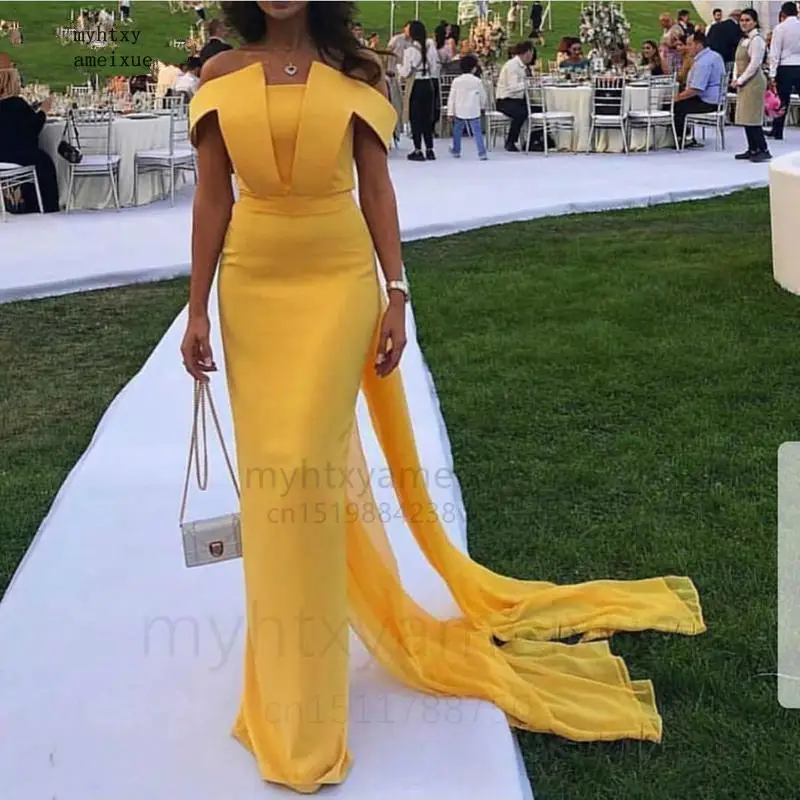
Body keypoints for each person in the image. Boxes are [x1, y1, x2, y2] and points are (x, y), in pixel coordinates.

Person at [182, 1, 706, 794]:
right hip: (252, 288)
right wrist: (195, 308)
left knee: (306, 475)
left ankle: (305, 709)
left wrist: (396, 291)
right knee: (275, 488)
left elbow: (376, 189)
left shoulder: (356, 70)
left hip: (338, 283)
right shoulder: (220, 72)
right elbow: (212, 199)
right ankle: (284, 685)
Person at [0, 68, 59, 213]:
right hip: (16, 154)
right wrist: (43, 111)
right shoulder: (17, 103)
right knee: (44, 161)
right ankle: (46, 205)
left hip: (2, 153)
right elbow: (33, 127)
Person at [672, 30, 726, 147]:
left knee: (675, 106)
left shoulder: (704, 62)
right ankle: (685, 136)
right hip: (718, 100)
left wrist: (677, 97)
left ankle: (683, 138)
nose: (687, 48)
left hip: (708, 102)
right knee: (681, 103)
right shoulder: (715, 55)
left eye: (689, 44)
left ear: (699, 45)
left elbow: (696, 89)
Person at [731, 8, 770, 161]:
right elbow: (737, 61)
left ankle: (762, 148)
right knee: (745, 116)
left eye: (747, 20)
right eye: (742, 20)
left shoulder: (757, 40)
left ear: (754, 22)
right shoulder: (744, 40)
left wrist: (741, 80)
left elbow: (754, 64)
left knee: (752, 116)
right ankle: (752, 148)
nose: (744, 23)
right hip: (743, 81)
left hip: (753, 82)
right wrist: (735, 77)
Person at [397, 19, 440, 161]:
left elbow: (405, 72)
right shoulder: (430, 47)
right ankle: (430, 149)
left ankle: (417, 149)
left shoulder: (410, 50)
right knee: (427, 117)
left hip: (415, 85)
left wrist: (398, 67)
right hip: (428, 83)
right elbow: (434, 67)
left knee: (415, 118)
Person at [495, 39, 535, 151]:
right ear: (527, 52)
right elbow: (513, 88)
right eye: (531, 53)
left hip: (518, 100)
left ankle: (533, 140)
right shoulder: (513, 66)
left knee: (538, 110)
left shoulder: (523, 66)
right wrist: (529, 84)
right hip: (505, 100)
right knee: (521, 113)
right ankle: (511, 141)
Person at [768, 1, 800, 141]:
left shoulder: (780, 28)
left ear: (783, 13)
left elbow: (775, 52)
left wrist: (772, 73)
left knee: (782, 100)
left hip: (785, 66)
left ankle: (778, 130)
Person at [446, 53, 487, 159]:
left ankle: (456, 150)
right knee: (477, 132)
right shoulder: (477, 81)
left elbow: (452, 98)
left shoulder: (456, 81)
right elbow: (483, 95)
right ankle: (482, 152)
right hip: (473, 110)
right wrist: (482, 106)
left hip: (459, 110)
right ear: (474, 68)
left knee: (457, 131)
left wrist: (450, 112)